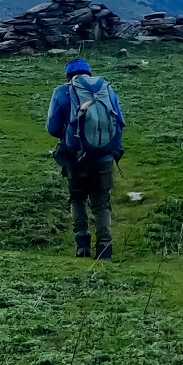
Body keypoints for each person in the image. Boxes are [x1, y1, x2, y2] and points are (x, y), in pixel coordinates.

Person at [46, 57, 126, 259]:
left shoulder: (62, 92)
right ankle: (105, 249)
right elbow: (120, 122)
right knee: (101, 202)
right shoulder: (106, 90)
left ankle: (83, 246)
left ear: (68, 75)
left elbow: (53, 128)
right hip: (105, 156)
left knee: (78, 198)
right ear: (88, 73)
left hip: (77, 157)